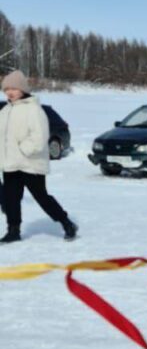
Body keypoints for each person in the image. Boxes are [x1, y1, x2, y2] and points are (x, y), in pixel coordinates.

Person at [0, 70, 77, 243]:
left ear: (22, 89)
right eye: (6, 89)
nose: (9, 92)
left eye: (13, 88)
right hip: (10, 163)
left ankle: (66, 223)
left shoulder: (34, 110)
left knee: (41, 197)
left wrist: (23, 150)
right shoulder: (5, 111)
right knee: (11, 198)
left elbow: (40, 137)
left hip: (30, 163)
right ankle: (13, 230)